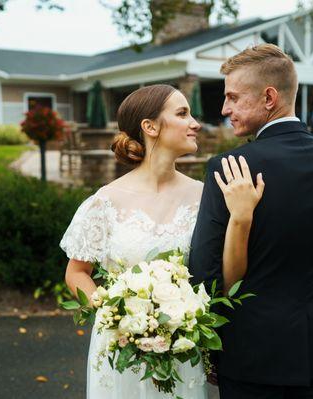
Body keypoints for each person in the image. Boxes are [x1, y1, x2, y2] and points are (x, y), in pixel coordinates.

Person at [189, 44, 313, 399]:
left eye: (233, 97)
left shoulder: (228, 168)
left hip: (247, 353)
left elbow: (205, 271)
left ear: (269, 97)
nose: (225, 108)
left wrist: (213, 344)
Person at [60, 84, 265, 398]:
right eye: (183, 114)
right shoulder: (105, 201)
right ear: (150, 126)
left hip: (182, 349)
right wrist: (115, 315)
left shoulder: (205, 197)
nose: (195, 123)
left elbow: (224, 278)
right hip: (121, 349)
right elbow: (77, 273)